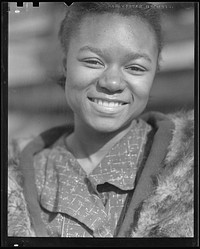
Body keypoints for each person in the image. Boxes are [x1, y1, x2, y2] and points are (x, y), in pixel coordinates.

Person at [8, 2, 194, 238]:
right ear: (65, 64)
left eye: (136, 68)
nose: (112, 83)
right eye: (93, 62)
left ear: (155, 72)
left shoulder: (188, 168)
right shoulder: (18, 178)